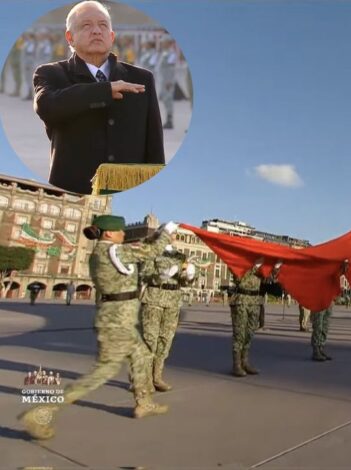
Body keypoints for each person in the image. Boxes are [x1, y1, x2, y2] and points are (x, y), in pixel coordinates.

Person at [18, 215, 177, 440]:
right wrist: (167, 235)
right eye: (121, 231)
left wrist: (156, 234)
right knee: (103, 371)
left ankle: (144, 402)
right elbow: (148, 252)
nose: (124, 234)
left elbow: (141, 247)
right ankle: (41, 413)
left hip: (119, 318)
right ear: (109, 233)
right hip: (117, 321)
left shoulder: (106, 252)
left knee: (141, 355)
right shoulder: (113, 251)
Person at [32, 1, 164, 194]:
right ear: (70, 37)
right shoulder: (51, 73)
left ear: (111, 36)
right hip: (72, 193)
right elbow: (47, 106)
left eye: (103, 25)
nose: (96, 31)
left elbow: (154, 147)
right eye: (86, 26)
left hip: (126, 193)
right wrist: (105, 90)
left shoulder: (142, 78)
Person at [138, 244, 197, 391]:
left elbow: (183, 281)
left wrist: (190, 276)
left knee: (165, 339)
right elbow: (144, 274)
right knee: (149, 339)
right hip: (154, 299)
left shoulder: (180, 257)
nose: (173, 235)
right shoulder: (151, 251)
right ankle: (144, 379)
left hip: (173, 302)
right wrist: (163, 275)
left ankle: (157, 377)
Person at [229, 263, 262, 377]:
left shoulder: (260, 264)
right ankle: (236, 365)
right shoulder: (238, 261)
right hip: (241, 300)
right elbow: (239, 278)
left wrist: (276, 269)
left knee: (250, 332)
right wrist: (255, 267)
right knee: (239, 334)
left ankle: (245, 361)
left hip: (255, 301)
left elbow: (269, 279)